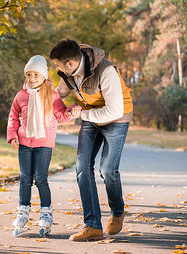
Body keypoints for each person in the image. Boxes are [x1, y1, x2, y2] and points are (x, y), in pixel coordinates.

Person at [49, 39, 133, 241]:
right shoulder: (67, 74)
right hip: (90, 116)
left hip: (117, 118)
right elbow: (58, 95)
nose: (57, 69)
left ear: (70, 63)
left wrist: (81, 116)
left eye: (58, 65)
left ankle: (117, 211)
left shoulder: (106, 71)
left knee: (107, 170)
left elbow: (114, 110)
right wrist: (36, 95)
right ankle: (93, 225)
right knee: (82, 167)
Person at [7, 55, 81, 237]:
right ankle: (22, 214)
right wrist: (12, 135)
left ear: (43, 75)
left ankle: (46, 214)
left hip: (44, 144)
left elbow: (61, 114)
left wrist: (72, 111)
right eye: (29, 75)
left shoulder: (52, 94)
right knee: (25, 178)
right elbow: (13, 117)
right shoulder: (20, 96)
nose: (32, 79)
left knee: (41, 179)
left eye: (36, 75)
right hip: (24, 142)